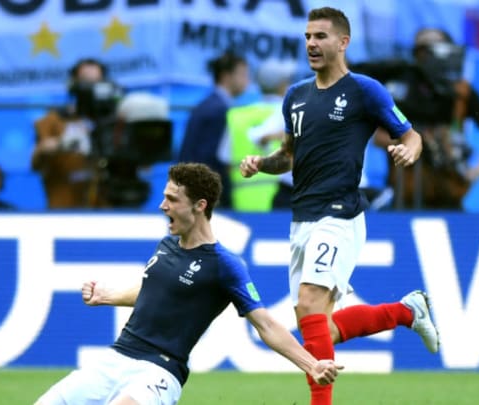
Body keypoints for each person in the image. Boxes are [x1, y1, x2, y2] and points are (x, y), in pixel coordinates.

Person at [239, 8, 439, 405]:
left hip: (341, 213)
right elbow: (289, 155)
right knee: (319, 330)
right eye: (308, 36)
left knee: (311, 303)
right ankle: (406, 312)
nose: (311, 43)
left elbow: (411, 134)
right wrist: (262, 164)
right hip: (302, 218)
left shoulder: (364, 90)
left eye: (321, 37)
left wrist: (408, 152)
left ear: (343, 42)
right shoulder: (295, 96)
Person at [34, 162, 341, 405]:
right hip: (115, 357)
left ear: (200, 205)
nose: (162, 206)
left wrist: (311, 365)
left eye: (171, 199)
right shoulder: (167, 244)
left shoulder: (225, 265)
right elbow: (155, 292)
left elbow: (266, 325)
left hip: (158, 371)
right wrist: (107, 295)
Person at [356, 27, 479, 210]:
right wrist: (415, 142)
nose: (428, 54)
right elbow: (378, 137)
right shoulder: (400, 84)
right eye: (422, 48)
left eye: (434, 46)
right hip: (407, 190)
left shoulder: (461, 91)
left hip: (450, 189)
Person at [32, 58, 122, 209]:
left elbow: (144, 167)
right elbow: (36, 161)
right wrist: (62, 143)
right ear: (73, 84)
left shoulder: (117, 123)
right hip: (64, 209)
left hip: (105, 213)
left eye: (96, 83)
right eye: (85, 82)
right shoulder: (54, 120)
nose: (91, 89)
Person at [178, 50, 250, 210]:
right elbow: (211, 159)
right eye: (243, 74)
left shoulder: (208, 105)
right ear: (226, 76)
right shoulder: (219, 110)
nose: (247, 80)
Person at [227, 58, 297, 211]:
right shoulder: (293, 112)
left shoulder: (235, 116)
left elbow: (224, 161)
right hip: (283, 201)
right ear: (282, 85)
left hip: (242, 203)